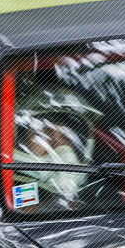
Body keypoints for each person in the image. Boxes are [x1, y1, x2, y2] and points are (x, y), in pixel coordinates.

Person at [10, 83, 101, 214]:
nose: (60, 148)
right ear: (18, 141)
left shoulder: (103, 197)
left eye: (68, 138)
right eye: (43, 135)